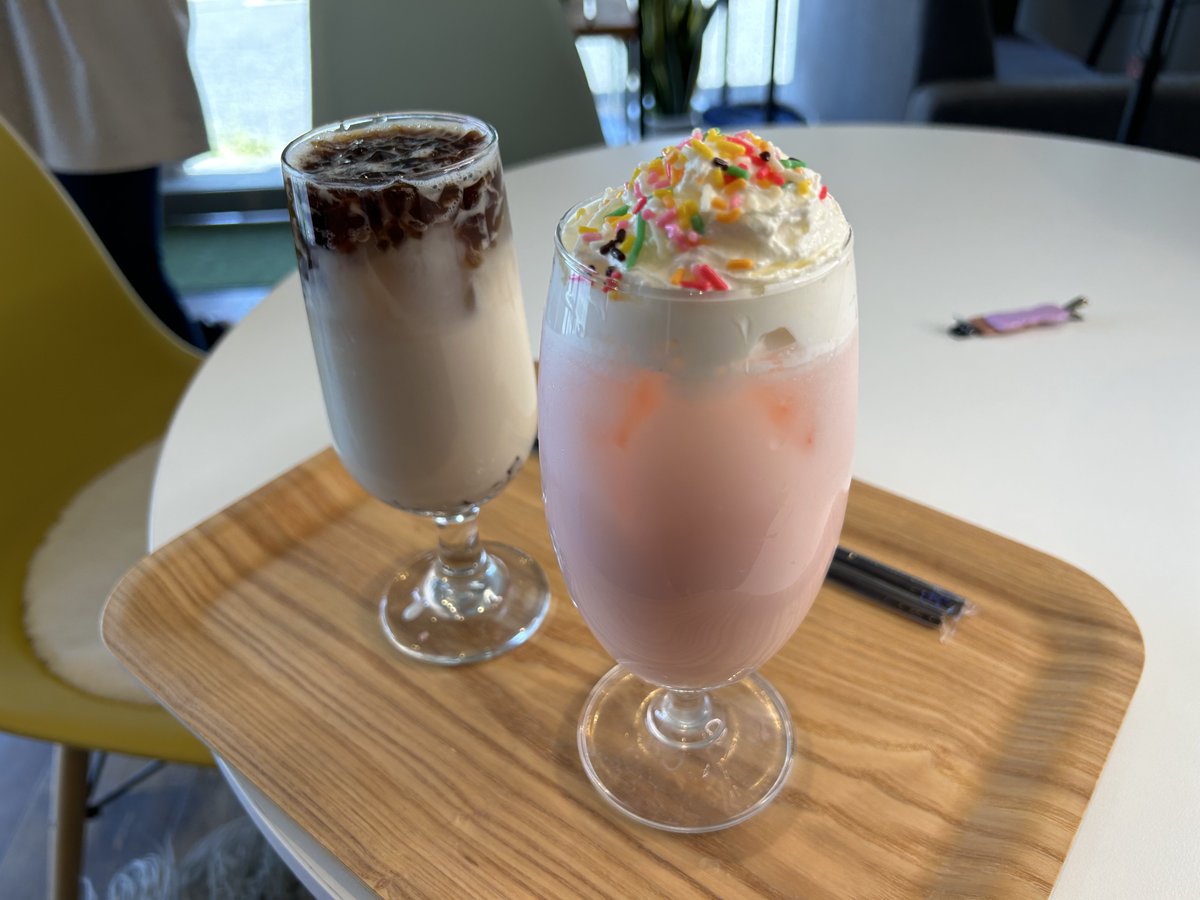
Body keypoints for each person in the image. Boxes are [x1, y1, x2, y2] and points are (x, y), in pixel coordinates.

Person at [0, 0, 211, 349]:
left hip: (81, 43)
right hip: (58, 43)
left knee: (122, 266)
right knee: (104, 261)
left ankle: (187, 360)